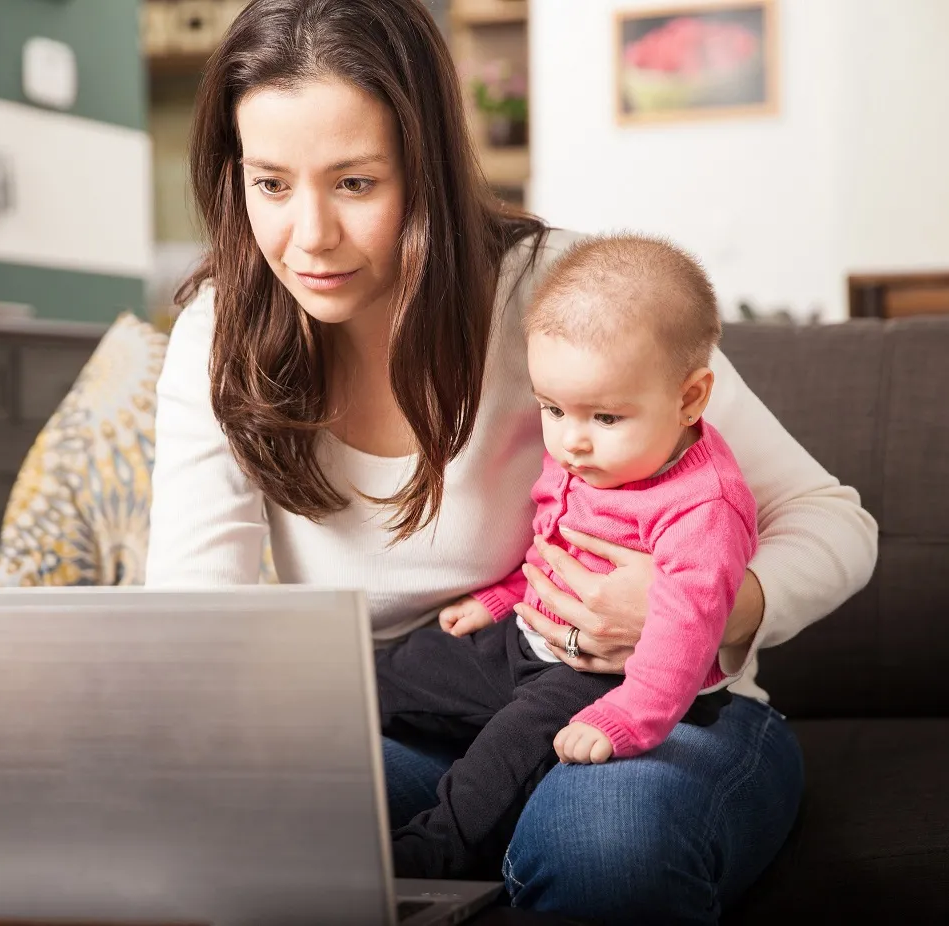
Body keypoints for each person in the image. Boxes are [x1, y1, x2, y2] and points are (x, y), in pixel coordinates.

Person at [144, 1, 879, 922]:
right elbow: (192, 618)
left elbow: (834, 520)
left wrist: (709, 606)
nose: (310, 237)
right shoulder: (223, 331)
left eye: (357, 184)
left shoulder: (568, 294)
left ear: (428, 171)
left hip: (650, 711)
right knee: (218, 823)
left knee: (604, 851)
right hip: (410, 717)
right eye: (271, 185)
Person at [376, 233, 759, 880]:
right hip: (525, 638)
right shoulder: (591, 454)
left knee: (506, 751)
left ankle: (426, 859)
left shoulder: (703, 506)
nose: (572, 442)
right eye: (553, 409)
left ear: (690, 398)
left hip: (608, 680)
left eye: (605, 417)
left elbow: (687, 634)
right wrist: (504, 597)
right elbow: (555, 544)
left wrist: (626, 718)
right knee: (391, 673)